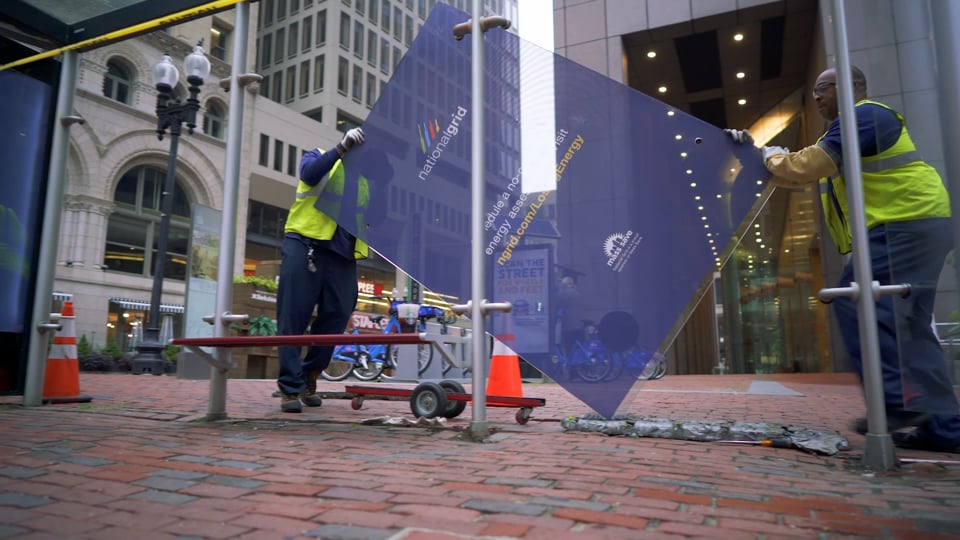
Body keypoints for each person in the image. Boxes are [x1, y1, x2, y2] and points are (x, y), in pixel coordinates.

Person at [726, 66, 959, 452]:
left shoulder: (864, 115)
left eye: (823, 89)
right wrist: (753, 154)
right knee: (911, 327)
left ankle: (896, 402)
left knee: (857, 303)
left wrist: (771, 156)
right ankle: (946, 427)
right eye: (815, 90)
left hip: (902, 223)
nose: (817, 97)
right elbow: (792, 173)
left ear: (849, 88)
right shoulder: (850, 128)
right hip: (916, 224)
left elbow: (809, 164)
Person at [275, 127, 368, 413]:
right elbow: (309, 174)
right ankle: (290, 388)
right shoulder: (321, 156)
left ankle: (309, 376)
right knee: (293, 316)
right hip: (306, 244)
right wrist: (342, 148)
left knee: (338, 315)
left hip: (342, 255)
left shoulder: (367, 180)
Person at [555, 275, 584, 356]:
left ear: (565, 285)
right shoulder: (578, 292)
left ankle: (571, 365)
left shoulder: (563, 294)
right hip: (580, 324)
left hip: (569, 325)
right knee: (579, 345)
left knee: (569, 346)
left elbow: (555, 305)